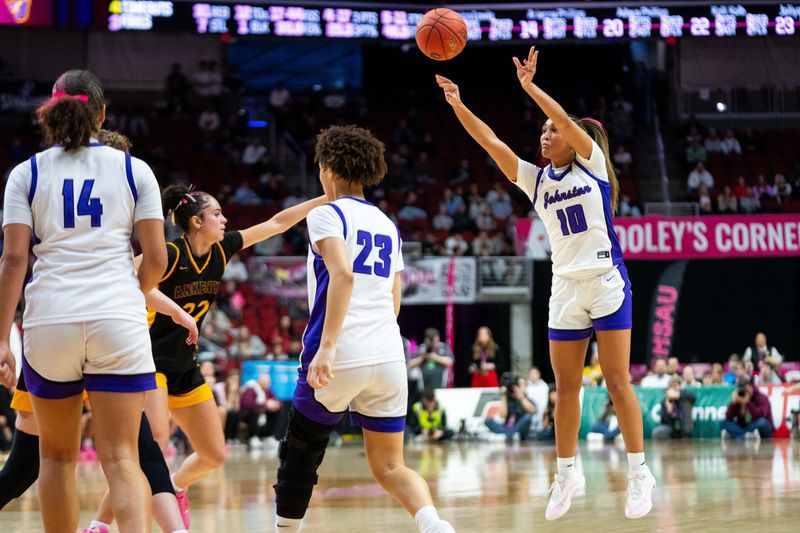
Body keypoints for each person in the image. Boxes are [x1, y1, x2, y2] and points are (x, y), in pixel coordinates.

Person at [436, 46, 654, 521]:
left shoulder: (592, 164)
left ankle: (639, 473)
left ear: (577, 139)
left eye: (554, 129)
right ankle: (566, 473)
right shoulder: (536, 181)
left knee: (618, 382)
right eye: (543, 129)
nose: (546, 132)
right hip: (565, 289)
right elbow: (491, 143)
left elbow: (561, 116)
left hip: (605, 281)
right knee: (566, 388)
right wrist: (458, 105)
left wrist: (531, 87)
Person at [0, 130, 197, 533]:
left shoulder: (32, 176)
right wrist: (166, 308)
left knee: (70, 458)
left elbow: (15, 256)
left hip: (52, 326)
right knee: (43, 464)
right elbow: (146, 274)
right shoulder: (126, 193)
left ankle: (165, 529)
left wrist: (177, 312)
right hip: (112, 332)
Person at [272, 125, 454, 532]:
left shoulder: (326, 214)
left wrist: (328, 348)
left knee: (299, 457)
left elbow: (343, 275)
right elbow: (394, 298)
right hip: (389, 355)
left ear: (329, 168)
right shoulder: (388, 224)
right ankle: (434, 524)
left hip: (341, 354)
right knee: (391, 465)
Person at [484, 376, 537, 441]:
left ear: (526, 386)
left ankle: (508, 434)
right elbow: (502, 416)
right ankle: (509, 434)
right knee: (488, 420)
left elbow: (533, 411)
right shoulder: (508, 399)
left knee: (527, 417)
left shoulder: (529, 400)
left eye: (522, 385)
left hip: (520, 429)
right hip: (507, 426)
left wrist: (521, 398)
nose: (519, 387)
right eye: (518, 385)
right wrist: (503, 397)